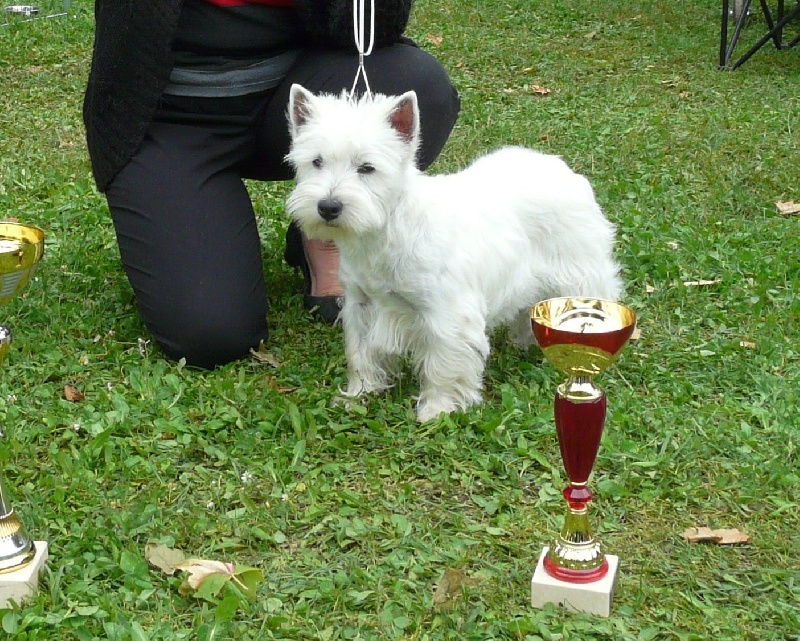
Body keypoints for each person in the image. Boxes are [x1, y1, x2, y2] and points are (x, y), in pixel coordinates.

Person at [83, 0, 460, 369]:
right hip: (170, 115)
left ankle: (327, 232)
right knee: (211, 331)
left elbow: (378, 23)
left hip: (297, 80)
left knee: (419, 84)